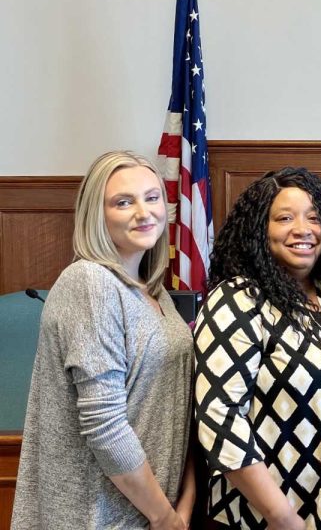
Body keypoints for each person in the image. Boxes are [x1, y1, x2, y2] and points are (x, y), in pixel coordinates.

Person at [193, 167, 321, 529]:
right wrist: (283, 518)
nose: (303, 229)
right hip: (272, 519)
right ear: (259, 229)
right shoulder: (239, 299)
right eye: (284, 218)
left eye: (314, 218)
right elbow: (220, 416)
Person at [12, 151, 195, 530]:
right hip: (96, 517)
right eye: (123, 202)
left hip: (153, 511)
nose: (144, 212)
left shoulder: (154, 291)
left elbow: (180, 405)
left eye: (152, 197)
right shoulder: (90, 282)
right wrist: (165, 517)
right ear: (96, 215)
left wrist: (183, 504)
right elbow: (105, 425)